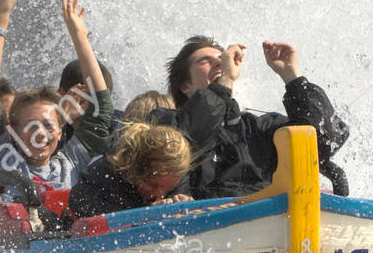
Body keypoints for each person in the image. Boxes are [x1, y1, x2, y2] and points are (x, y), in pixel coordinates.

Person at [150, 36, 349, 199]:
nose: (219, 62)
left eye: (221, 58)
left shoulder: (258, 128)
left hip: (272, 225)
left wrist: (292, 78)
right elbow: (189, 141)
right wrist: (225, 81)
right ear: (185, 86)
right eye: (205, 61)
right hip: (207, 229)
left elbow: (323, 142)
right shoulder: (164, 124)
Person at [0, 0, 114, 199]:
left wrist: (79, 35)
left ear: (60, 130)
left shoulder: (71, 163)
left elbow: (101, 104)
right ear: (13, 131)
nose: (41, 134)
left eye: (48, 125)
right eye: (31, 127)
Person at [68, 122, 194, 218]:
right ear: (135, 169)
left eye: (169, 189)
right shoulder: (100, 179)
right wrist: (149, 212)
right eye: (152, 185)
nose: (161, 195)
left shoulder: (176, 177)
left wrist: (188, 207)